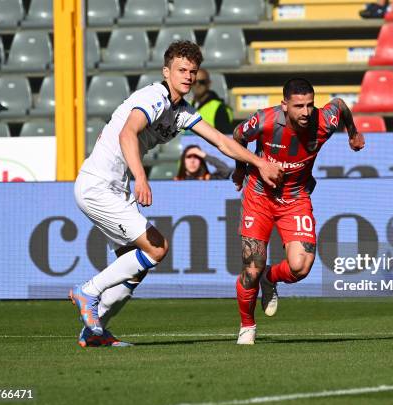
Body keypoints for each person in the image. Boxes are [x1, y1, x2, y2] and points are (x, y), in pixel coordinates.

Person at [69, 40, 282, 348]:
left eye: (193, 71)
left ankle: (94, 330)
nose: (188, 76)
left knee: (137, 263)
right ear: (166, 71)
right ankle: (87, 292)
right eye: (181, 70)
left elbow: (221, 142)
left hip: (115, 187)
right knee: (157, 248)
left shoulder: (181, 111)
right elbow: (127, 132)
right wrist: (141, 177)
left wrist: (259, 162)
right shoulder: (154, 96)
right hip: (99, 185)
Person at [232, 78, 365, 345]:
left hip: (295, 198)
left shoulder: (324, 120)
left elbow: (340, 105)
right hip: (259, 196)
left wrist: (352, 132)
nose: (306, 112)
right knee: (251, 268)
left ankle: (270, 279)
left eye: (309, 105)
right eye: (298, 106)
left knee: (300, 267)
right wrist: (240, 168)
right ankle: (247, 326)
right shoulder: (266, 121)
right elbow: (237, 136)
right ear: (284, 105)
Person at [191, 68, 234, 134]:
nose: (197, 85)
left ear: (209, 84)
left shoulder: (220, 108)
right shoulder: (186, 105)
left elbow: (225, 138)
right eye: (194, 81)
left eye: (202, 82)